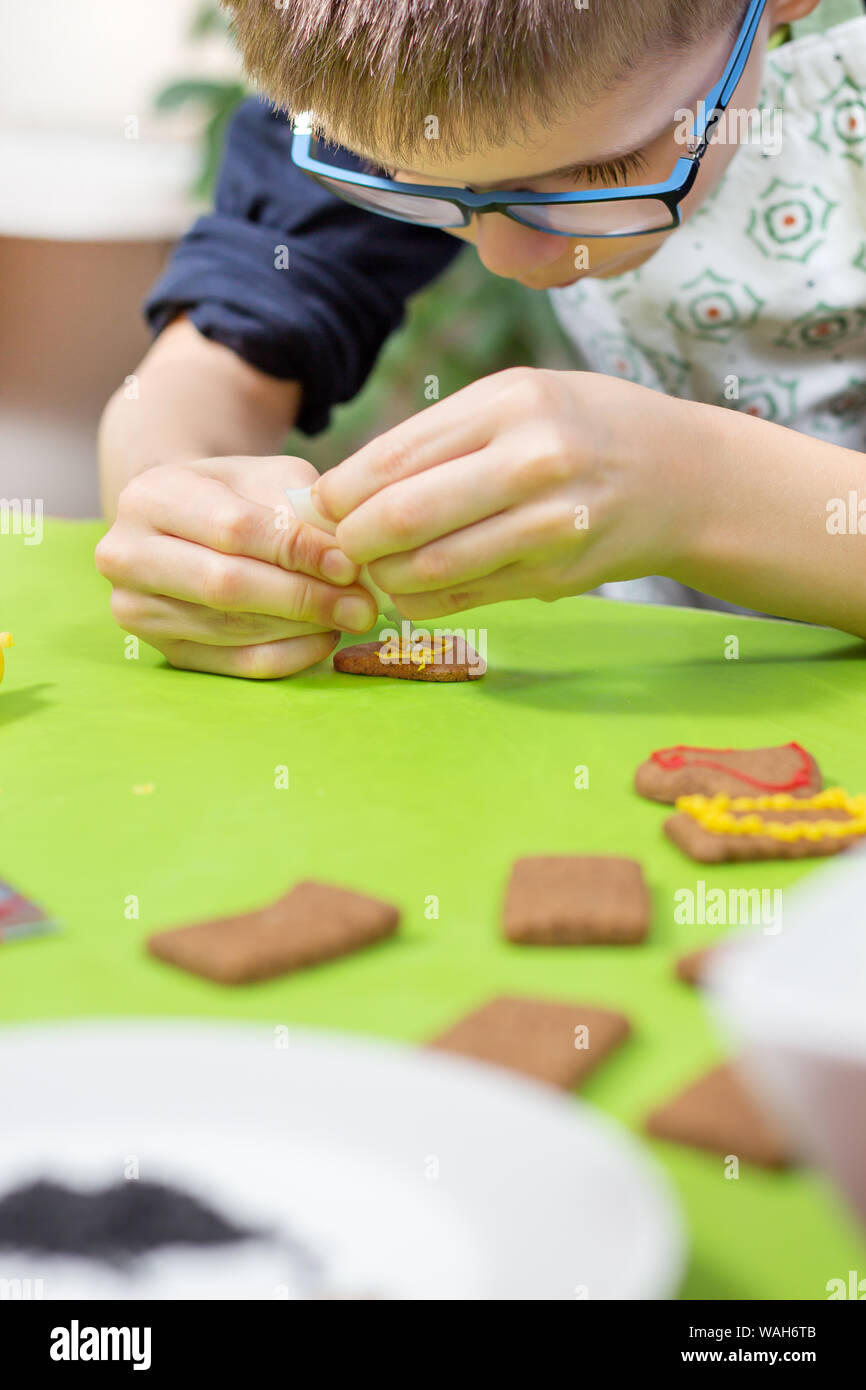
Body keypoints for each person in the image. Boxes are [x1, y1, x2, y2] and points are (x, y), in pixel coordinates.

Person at [96, 0, 866, 678]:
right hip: (661, 678)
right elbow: (227, 345)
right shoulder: (379, 66)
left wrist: (699, 488)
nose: (505, 259)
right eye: (406, 177)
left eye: (601, 173)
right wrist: (183, 502)